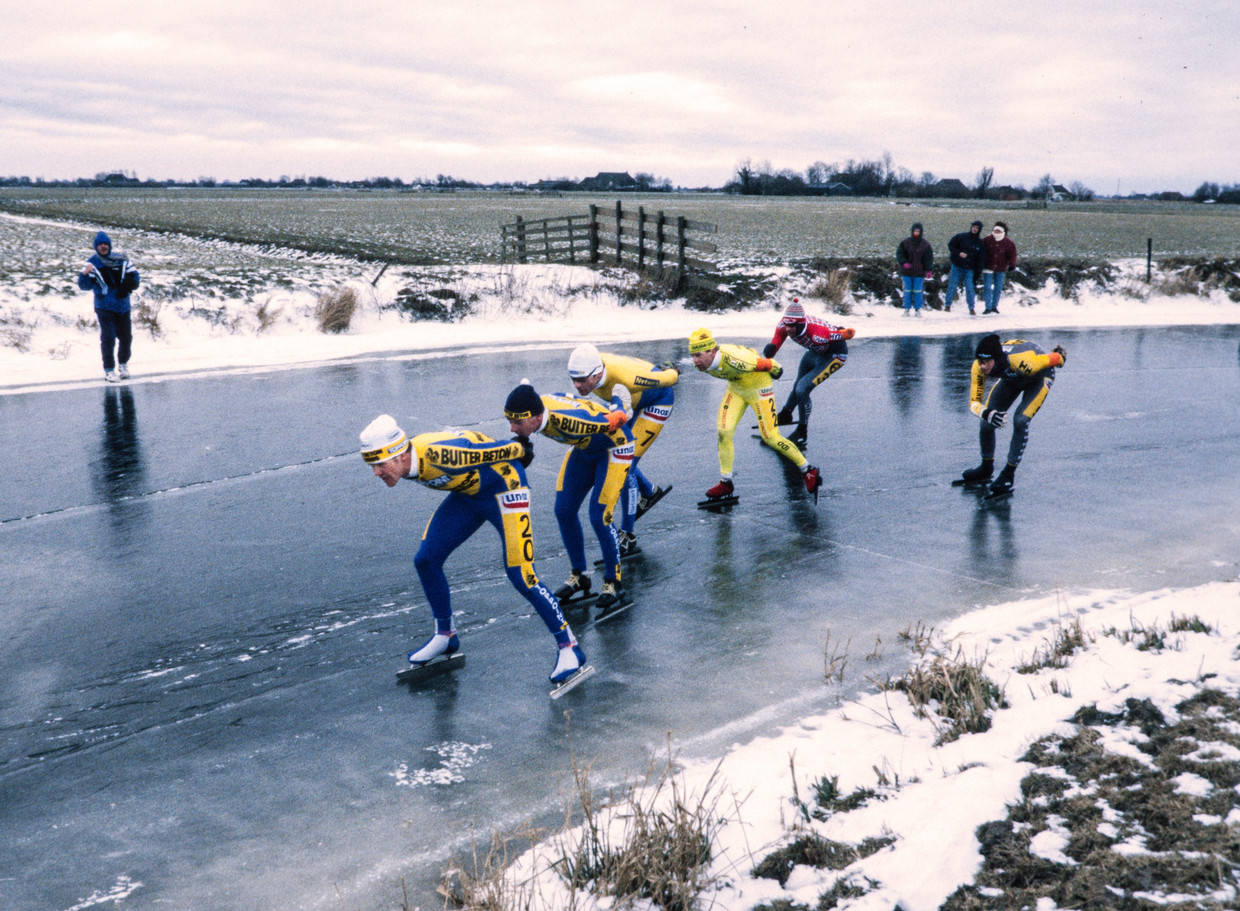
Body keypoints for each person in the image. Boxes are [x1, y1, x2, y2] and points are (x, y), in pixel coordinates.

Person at [359, 413, 586, 684]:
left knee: (522, 574)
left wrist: (519, 448)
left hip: (505, 487)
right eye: (372, 465)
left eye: (380, 464)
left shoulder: (439, 454)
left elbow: (484, 450)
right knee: (426, 560)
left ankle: (570, 647)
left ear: (401, 456)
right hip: (469, 492)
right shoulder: (404, 461)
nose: (376, 473)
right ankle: (446, 635)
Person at [504, 380, 635, 612]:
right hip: (585, 447)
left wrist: (619, 401)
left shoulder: (568, 421)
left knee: (599, 515)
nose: (512, 428)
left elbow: (618, 420)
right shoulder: (538, 406)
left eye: (517, 422)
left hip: (615, 445)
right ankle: (580, 576)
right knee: (563, 510)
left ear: (535, 418)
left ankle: (614, 582)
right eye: (510, 421)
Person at [566, 343, 678, 559]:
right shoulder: (593, 365)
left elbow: (669, 379)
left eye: (581, 380)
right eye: (573, 379)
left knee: (625, 464)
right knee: (614, 455)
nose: (577, 385)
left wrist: (670, 369)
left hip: (658, 398)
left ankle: (629, 534)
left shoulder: (626, 379)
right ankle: (649, 491)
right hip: (631, 401)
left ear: (597, 373)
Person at [687, 327, 822, 500]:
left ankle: (809, 471)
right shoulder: (706, 361)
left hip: (759, 387)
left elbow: (771, 365)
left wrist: (777, 370)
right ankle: (726, 483)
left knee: (770, 436)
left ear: (712, 351)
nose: (695, 361)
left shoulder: (735, 359)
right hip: (737, 389)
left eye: (698, 355)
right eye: (693, 356)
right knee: (723, 432)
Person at [959, 334, 1067, 497]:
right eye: (980, 362)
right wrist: (987, 413)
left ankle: (1009, 474)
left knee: (1021, 420)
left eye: (986, 362)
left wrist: (1059, 355)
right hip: (1012, 378)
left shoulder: (1024, 361)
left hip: (1039, 376)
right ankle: (986, 467)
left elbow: (1053, 359)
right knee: (986, 422)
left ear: (996, 359)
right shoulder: (978, 367)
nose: (982, 367)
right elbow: (974, 403)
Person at [762, 299, 855, 448]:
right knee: (798, 383)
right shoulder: (783, 326)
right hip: (815, 351)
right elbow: (776, 341)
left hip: (834, 355)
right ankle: (786, 414)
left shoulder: (819, 334)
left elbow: (849, 334)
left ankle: (802, 432)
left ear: (799, 324)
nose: (788, 329)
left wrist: (842, 332)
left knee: (802, 389)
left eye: (792, 326)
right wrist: (770, 351)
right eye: (787, 324)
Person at [77, 231, 140, 382]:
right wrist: (84, 275)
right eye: (100, 244)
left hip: (123, 306)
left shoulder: (122, 260)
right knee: (108, 337)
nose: (103, 246)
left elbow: (135, 277)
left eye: (106, 244)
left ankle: (123, 364)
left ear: (110, 245)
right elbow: (84, 286)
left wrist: (129, 285)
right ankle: (109, 370)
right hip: (104, 306)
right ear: (96, 247)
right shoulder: (92, 263)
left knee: (126, 337)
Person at [944, 221, 986, 314]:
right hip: (957, 266)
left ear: (979, 230)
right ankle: (947, 306)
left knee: (970, 288)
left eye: (977, 228)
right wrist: (959, 253)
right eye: (973, 227)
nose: (974, 229)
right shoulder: (961, 237)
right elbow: (951, 245)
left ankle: (971, 308)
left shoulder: (980, 243)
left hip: (969, 269)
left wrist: (977, 272)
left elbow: (981, 259)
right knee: (952, 286)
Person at [896, 223, 933, 316]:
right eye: (915, 231)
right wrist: (904, 262)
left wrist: (929, 270)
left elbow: (929, 258)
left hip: (919, 272)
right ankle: (906, 309)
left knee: (918, 291)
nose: (916, 233)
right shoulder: (905, 243)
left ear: (921, 232)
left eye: (918, 231)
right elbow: (900, 254)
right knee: (907, 290)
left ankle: (917, 309)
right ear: (912, 231)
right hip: (907, 272)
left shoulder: (926, 245)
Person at [981, 221, 1018, 314]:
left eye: (998, 231)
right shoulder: (987, 240)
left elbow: (1012, 254)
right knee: (987, 287)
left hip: (1001, 267)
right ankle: (988, 307)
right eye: (995, 231)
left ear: (1002, 232)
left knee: (998, 288)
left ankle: (994, 306)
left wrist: (1012, 265)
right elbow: (980, 251)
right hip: (988, 267)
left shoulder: (1008, 242)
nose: (996, 232)